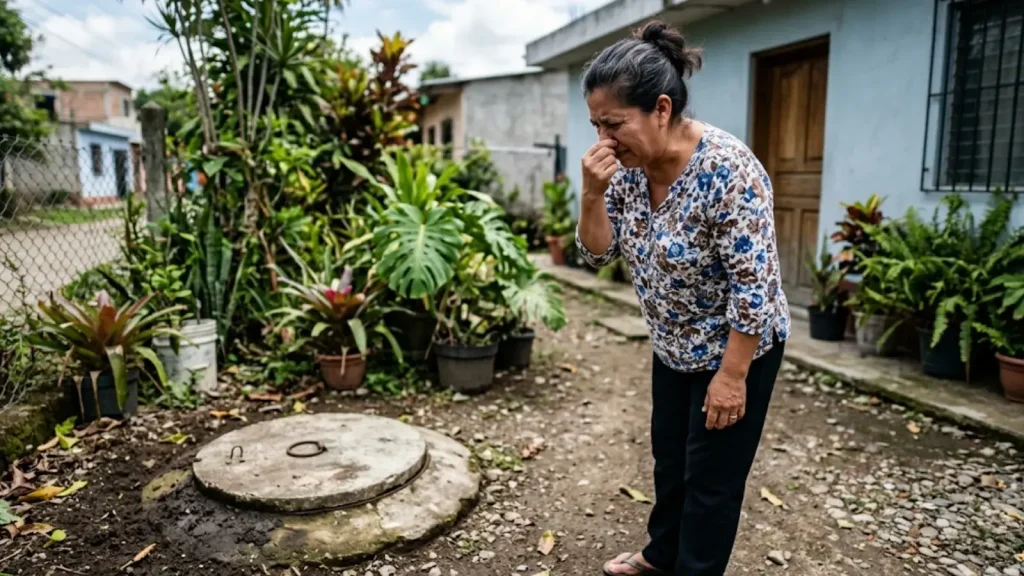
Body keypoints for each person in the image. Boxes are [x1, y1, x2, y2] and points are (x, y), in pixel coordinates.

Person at [576, 20, 791, 576]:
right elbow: (599, 255)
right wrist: (591, 195)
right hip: (672, 345)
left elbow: (755, 287)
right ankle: (661, 554)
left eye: (615, 123)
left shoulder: (727, 170)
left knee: (712, 480)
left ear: (662, 109)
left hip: (736, 348)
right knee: (671, 460)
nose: (604, 139)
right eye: (596, 124)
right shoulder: (623, 171)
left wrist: (732, 376)